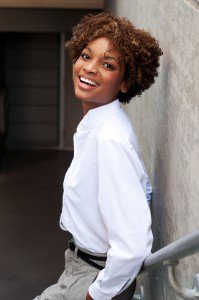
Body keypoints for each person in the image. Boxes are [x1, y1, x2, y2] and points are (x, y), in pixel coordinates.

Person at [33, 12, 162, 300]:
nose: (90, 68)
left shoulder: (108, 138)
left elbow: (133, 243)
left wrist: (96, 294)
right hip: (80, 267)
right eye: (85, 56)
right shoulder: (97, 126)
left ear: (126, 82)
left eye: (108, 64)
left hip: (94, 278)